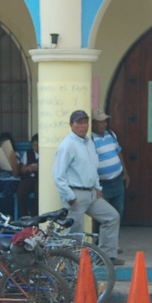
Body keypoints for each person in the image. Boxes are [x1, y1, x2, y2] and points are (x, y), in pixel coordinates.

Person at [52, 110, 124, 266]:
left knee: (112, 217)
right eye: (79, 123)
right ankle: (72, 266)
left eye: (85, 122)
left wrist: (97, 187)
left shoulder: (89, 142)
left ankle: (106, 256)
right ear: (71, 125)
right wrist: (69, 196)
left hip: (91, 193)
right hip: (75, 194)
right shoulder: (67, 145)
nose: (82, 126)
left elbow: (93, 166)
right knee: (75, 234)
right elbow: (58, 175)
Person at [91, 109, 129, 221]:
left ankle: (114, 237)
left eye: (105, 121)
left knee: (119, 210)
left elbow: (119, 153)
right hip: (103, 184)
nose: (104, 124)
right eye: (100, 122)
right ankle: (102, 238)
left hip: (117, 181)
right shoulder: (91, 140)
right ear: (93, 124)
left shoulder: (111, 135)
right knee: (104, 215)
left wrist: (125, 173)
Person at [16, 133, 39, 216]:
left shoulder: (45, 154)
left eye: (37, 145)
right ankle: (23, 215)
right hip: (28, 178)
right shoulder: (28, 153)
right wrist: (28, 168)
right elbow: (22, 169)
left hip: (39, 179)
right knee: (21, 191)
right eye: (34, 145)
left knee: (39, 192)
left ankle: (34, 215)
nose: (35, 147)